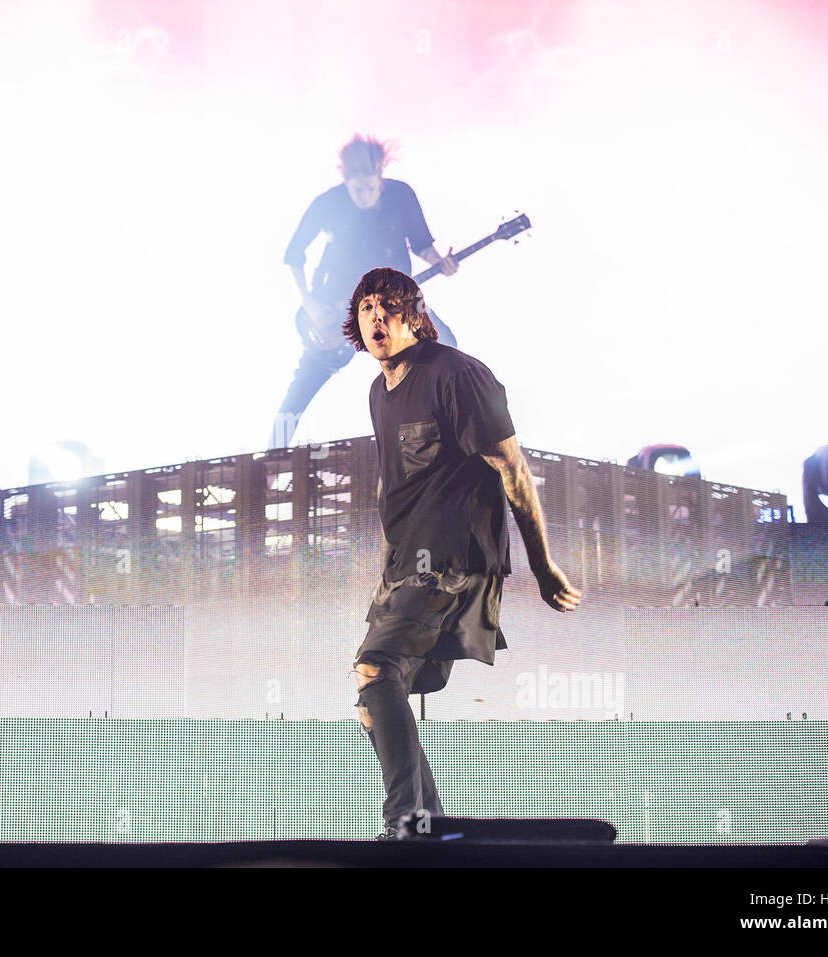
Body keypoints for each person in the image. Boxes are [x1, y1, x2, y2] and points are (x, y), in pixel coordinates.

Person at [346, 266, 581, 839]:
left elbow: (513, 470)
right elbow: (396, 490)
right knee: (374, 700)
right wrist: (387, 571)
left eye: (390, 307)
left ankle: (407, 821)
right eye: (367, 308)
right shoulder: (380, 391)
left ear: (415, 316)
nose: (378, 317)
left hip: (453, 561)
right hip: (407, 569)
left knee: (376, 667)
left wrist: (542, 563)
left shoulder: (457, 375)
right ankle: (430, 823)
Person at [269, 134, 461, 451]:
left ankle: (441, 439)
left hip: (397, 302)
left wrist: (440, 262)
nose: (366, 195)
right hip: (337, 310)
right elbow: (293, 256)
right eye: (358, 189)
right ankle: (270, 459)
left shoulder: (401, 195)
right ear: (345, 180)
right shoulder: (328, 203)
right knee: (303, 386)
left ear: (380, 178)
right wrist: (311, 306)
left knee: (446, 345)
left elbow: (423, 245)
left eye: (372, 187)